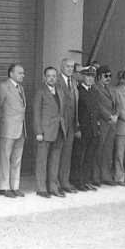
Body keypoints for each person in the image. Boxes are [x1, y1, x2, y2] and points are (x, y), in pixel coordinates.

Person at [0, 63, 27, 198]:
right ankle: (4, 186)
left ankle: (15, 186)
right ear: (11, 74)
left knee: (17, 158)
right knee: (5, 158)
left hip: (20, 127)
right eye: (20, 73)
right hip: (8, 127)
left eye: (23, 73)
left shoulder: (20, 88)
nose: (23, 75)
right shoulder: (3, 87)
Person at [33, 67, 65, 198]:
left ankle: (53, 187)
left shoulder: (60, 91)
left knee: (55, 160)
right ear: (44, 77)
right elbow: (36, 113)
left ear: (57, 77)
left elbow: (62, 112)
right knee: (42, 160)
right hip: (45, 131)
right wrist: (39, 132)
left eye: (53, 76)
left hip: (58, 129)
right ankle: (41, 188)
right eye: (48, 76)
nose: (51, 78)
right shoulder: (41, 91)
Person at [71, 66, 100, 192]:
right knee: (80, 157)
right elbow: (76, 112)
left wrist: (97, 128)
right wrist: (77, 128)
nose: (90, 78)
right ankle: (78, 181)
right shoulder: (78, 91)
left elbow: (96, 111)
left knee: (89, 157)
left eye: (92, 76)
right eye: (87, 75)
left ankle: (87, 180)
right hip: (82, 129)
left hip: (92, 129)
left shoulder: (94, 91)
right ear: (82, 76)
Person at [94, 65, 121, 186]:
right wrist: (109, 116)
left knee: (108, 152)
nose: (108, 78)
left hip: (112, 124)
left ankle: (106, 176)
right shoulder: (95, 88)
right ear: (99, 77)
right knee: (98, 151)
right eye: (106, 76)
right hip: (102, 123)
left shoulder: (112, 89)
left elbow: (118, 105)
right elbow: (98, 105)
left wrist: (115, 116)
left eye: (110, 76)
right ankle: (96, 177)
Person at [56, 59, 78, 194]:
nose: (70, 69)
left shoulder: (74, 82)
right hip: (60, 124)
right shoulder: (56, 81)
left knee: (67, 155)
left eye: (72, 67)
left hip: (71, 124)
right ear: (61, 67)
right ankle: (55, 183)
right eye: (67, 66)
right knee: (57, 154)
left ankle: (65, 182)